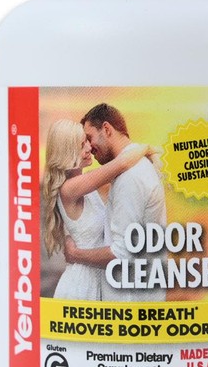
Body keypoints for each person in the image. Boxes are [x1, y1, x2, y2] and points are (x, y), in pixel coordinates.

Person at [41, 119, 155, 300]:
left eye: (87, 140)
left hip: (96, 278)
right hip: (80, 285)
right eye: (81, 145)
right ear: (68, 152)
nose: (89, 147)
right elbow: (122, 163)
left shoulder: (86, 186)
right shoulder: (70, 188)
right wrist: (146, 148)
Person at [65, 104, 168, 302]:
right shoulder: (132, 169)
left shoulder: (130, 177)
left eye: (89, 138)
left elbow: (122, 253)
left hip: (130, 303)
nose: (89, 147)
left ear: (106, 129)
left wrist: (76, 255)